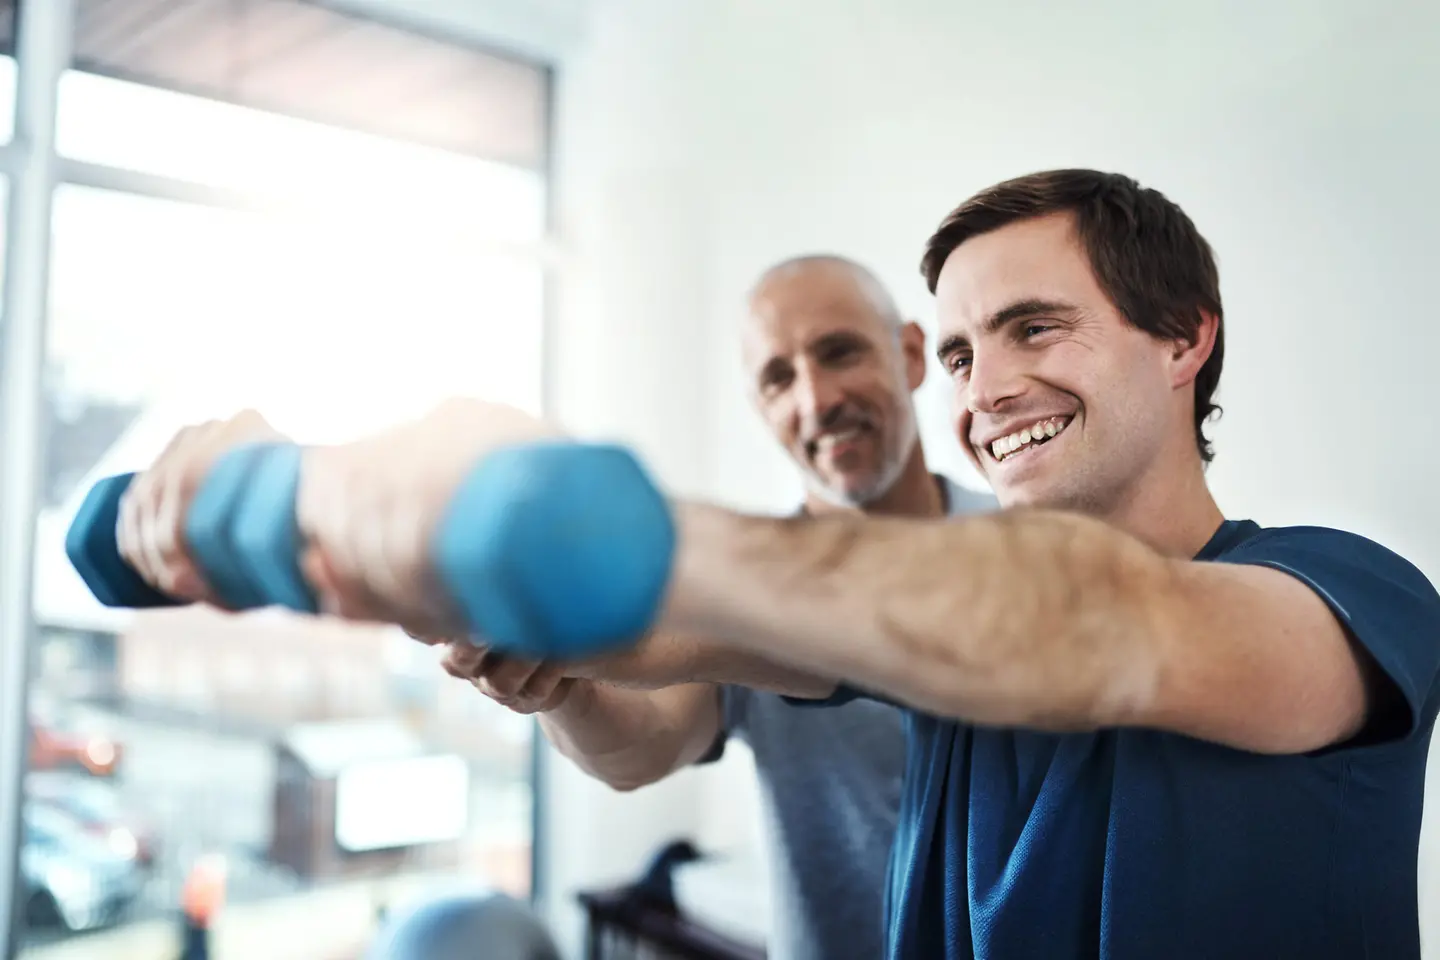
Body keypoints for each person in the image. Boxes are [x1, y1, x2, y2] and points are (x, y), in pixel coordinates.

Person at [118, 170, 1440, 960]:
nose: (987, 389)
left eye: (1036, 328)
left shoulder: (1350, 597)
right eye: (966, 353)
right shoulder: (930, 651)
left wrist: (559, 514)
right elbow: (674, 641)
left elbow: (1103, 625)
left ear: (1185, 338)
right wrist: (384, 544)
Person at [436, 255, 995, 960]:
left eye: (839, 352)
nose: (816, 400)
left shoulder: (1028, 546)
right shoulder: (741, 589)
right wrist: (556, 682)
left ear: (911, 354)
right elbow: (641, 746)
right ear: (760, 406)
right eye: (778, 378)